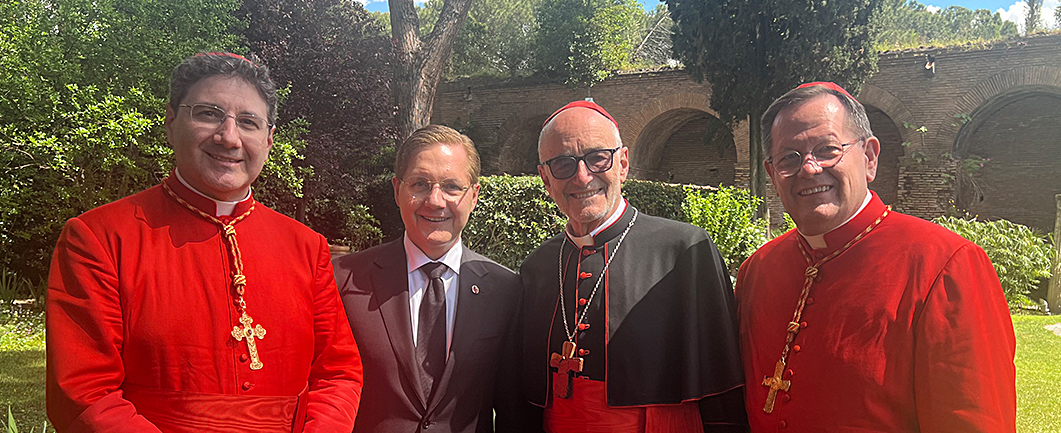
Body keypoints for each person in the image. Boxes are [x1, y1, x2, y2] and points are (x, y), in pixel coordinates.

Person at [46, 52, 363, 432]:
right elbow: (84, 393)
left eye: (248, 122)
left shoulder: (307, 247)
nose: (229, 137)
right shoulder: (99, 238)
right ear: (170, 122)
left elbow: (337, 372)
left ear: (268, 140)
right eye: (209, 114)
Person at [736, 82, 1016, 432]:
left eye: (827, 150)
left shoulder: (946, 265)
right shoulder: (758, 270)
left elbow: (973, 421)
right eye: (789, 158)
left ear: (869, 157)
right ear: (772, 175)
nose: (809, 168)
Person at [520, 100, 748, 433]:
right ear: (545, 178)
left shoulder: (685, 250)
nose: (582, 177)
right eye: (562, 164)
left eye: (598, 158)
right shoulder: (536, 267)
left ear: (623, 164)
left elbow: (722, 389)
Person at [334, 125, 524, 432]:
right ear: (397, 190)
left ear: (474, 195)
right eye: (420, 184)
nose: (435, 201)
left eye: (452, 187)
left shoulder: (505, 290)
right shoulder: (344, 279)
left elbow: (513, 410)